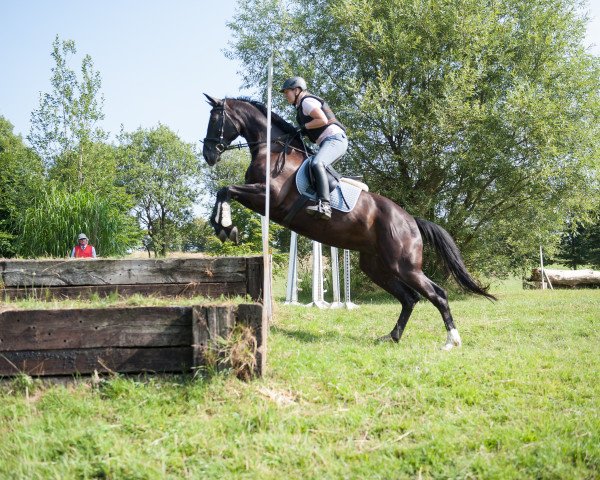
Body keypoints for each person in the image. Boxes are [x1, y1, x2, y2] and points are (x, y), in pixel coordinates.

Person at [281, 76, 348, 220]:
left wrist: (303, 128)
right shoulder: (302, 105)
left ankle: (324, 205)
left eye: (287, 92)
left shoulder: (306, 102)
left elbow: (322, 120)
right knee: (313, 165)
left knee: (318, 163)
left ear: (297, 90)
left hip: (335, 139)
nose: (286, 95)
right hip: (328, 141)